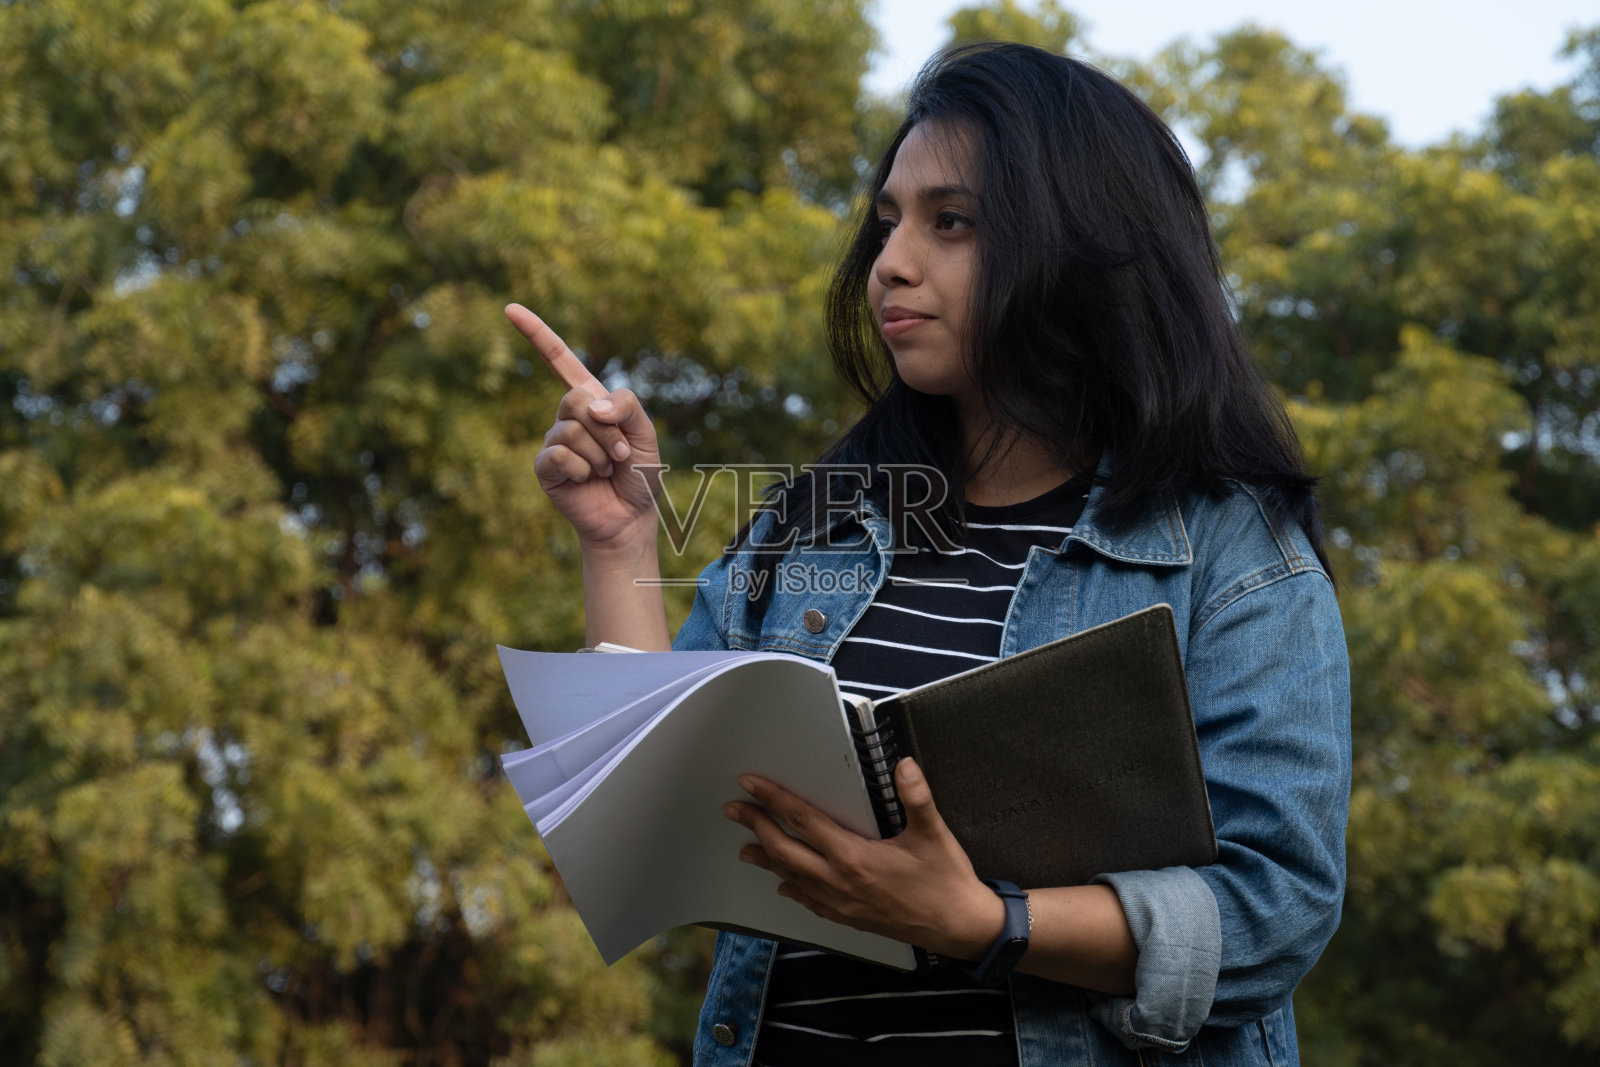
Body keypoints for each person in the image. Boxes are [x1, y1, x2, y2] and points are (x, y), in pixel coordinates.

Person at [517, 41, 1350, 1067]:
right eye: (887, 223)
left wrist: (985, 922)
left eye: (949, 223)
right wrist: (619, 539)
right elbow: (650, 808)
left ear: (1080, 244)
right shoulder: (812, 524)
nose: (891, 264)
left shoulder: (1227, 551)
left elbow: (1275, 907)